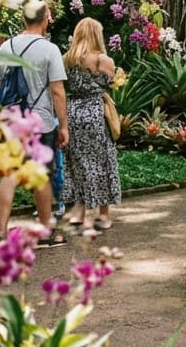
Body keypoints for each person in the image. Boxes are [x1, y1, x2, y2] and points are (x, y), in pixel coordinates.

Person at [0, 1, 69, 245]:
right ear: (45, 19)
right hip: (41, 122)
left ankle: (2, 231)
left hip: (12, 120)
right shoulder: (49, 50)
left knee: (9, 173)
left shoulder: (6, 46)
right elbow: (58, 91)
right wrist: (64, 126)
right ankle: (45, 232)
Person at [61, 17, 122, 234]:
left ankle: (79, 211)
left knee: (78, 161)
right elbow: (111, 82)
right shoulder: (103, 60)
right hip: (95, 112)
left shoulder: (67, 59)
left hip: (73, 112)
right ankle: (103, 215)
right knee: (102, 161)